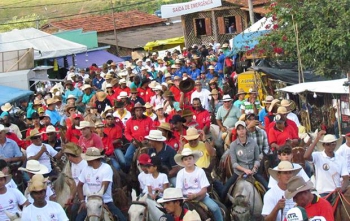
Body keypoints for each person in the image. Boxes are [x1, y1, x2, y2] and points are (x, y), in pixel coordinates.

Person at [213, 121, 268, 201]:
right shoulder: (233, 145)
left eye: (242, 128)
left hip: (253, 172)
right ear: (237, 132)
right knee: (224, 192)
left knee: (267, 188)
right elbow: (234, 163)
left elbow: (257, 159)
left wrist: (254, 167)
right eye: (239, 129)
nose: (241, 131)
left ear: (246, 130)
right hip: (238, 173)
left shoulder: (253, 143)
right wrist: (245, 170)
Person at [76, 147, 126, 221]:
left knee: (122, 219)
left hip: (106, 201)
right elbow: (79, 185)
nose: (86, 160)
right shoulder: (85, 169)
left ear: (92, 159)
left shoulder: (106, 168)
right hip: (89, 203)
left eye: (87, 158)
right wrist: (82, 201)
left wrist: (98, 200)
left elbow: (104, 188)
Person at [175, 148, 223, 221]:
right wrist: (184, 198)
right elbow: (179, 190)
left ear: (193, 160)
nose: (188, 161)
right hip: (185, 198)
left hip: (201, 197)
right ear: (183, 162)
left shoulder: (200, 171)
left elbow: (204, 189)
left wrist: (194, 195)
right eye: (186, 159)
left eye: (190, 158)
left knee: (215, 208)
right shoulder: (180, 173)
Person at [304, 131, 349, 196]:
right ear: (323, 145)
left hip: (337, 192)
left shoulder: (341, 159)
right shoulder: (317, 155)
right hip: (323, 192)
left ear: (335, 144)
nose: (330, 146)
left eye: (333, 144)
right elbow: (306, 156)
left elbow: (346, 178)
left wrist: (342, 189)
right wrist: (316, 140)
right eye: (328, 144)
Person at [115, 102, 153, 172]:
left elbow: (152, 131)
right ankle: (130, 172)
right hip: (135, 143)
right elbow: (126, 133)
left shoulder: (149, 120)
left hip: (147, 142)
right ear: (134, 111)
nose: (139, 112)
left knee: (153, 155)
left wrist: (148, 139)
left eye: (140, 110)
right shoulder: (130, 121)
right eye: (137, 110)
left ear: (143, 110)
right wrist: (132, 140)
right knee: (127, 157)